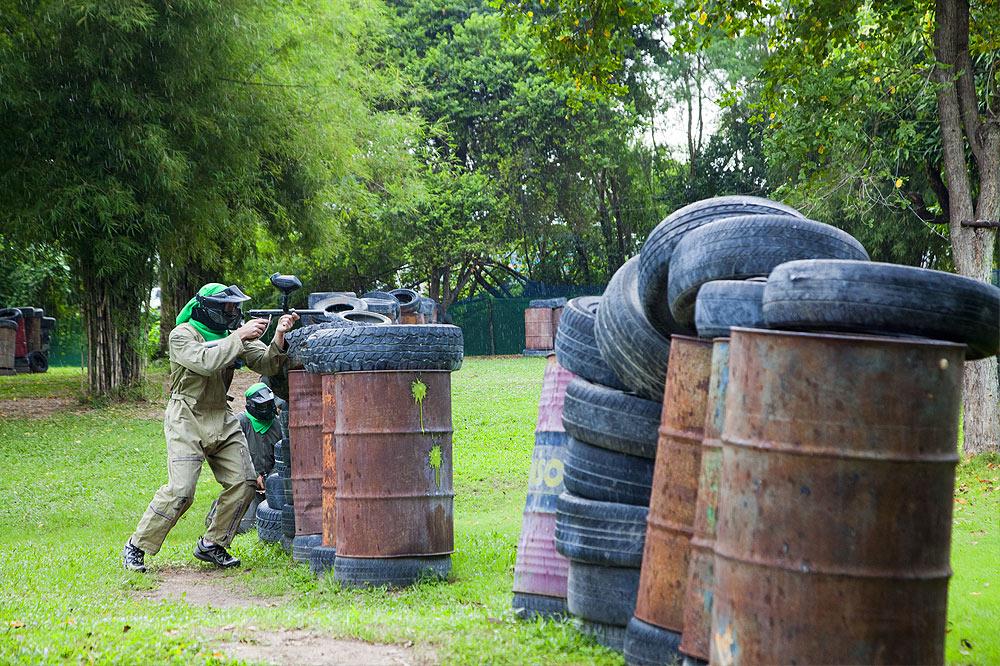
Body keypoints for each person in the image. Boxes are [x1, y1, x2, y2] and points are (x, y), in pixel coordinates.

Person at [123, 283, 298, 571]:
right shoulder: (182, 335)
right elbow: (205, 361)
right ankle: (137, 546)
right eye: (228, 307)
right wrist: (239, 336)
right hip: (186, 417)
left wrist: (278, 335)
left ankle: (213, 543)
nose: (234, 312)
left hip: (221, 414)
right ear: (210, 308)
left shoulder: (233, 335)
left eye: (235, 307)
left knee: (243, 482)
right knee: (181, 490)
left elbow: (267, 364)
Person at [203, 382, 281, 533]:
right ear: (252, 406)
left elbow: (282, 458)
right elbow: (233, 455)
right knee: (245, 525)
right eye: (263, 406)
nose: (268, 410)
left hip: (270, 482)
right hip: (246, 479)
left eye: (269, 405)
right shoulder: (240, 423)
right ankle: (217, 512)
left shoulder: (277, 425)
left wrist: (270, 479)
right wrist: (254, 475)